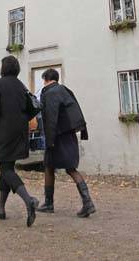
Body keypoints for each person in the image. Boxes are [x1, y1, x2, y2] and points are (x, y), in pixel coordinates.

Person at [0, 55, 39, 227]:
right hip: (20, 132)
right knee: (7, 167)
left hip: (4, 131)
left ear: (3, 68)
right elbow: (32, 108)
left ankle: (29, 200)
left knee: (5, 169)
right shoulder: (21, 86)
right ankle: (0, 208)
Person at [36, 69, 95, 218]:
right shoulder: (65, 90)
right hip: (68, 134)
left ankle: (49, 203)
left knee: (49, 166)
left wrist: (49, 140)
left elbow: (50, 117)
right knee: (69, 168)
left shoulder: (49, 92)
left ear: (46, 79)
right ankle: (87, 202)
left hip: (56, 135)